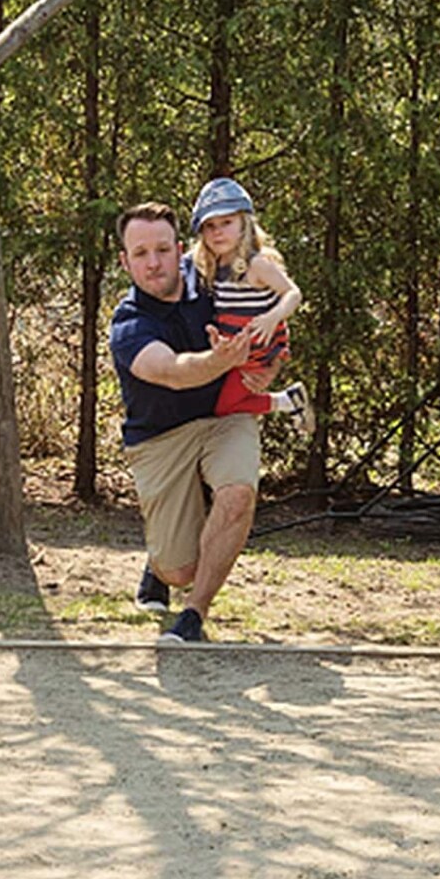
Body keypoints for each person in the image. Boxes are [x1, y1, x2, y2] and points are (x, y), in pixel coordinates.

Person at [110, 200, 275, 643]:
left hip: (225, 416)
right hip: (161, 438)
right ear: (125, 262)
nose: (154, 262)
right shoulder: (128, 325)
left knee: (238, 493)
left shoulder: (215, 278)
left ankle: (193, 617)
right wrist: (219, 361)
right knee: (179, 568)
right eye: (140, 254)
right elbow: (175, 372)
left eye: (162, 249)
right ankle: (160, 566)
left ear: (179, 248)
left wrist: (268, 365)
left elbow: (269, 312)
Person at [188, 176, 314, 438]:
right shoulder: (214, 265)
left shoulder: (256, 264)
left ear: (244, 224)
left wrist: (273, 317)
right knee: (217, 400)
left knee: (224, 407)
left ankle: (288, 401)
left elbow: (293, 293)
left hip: (257, 349)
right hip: (235, 351)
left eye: (226, 222)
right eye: (209, 225)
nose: (217, 231)